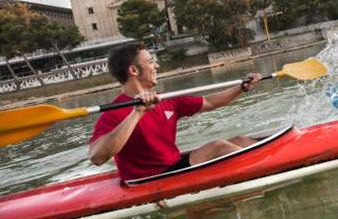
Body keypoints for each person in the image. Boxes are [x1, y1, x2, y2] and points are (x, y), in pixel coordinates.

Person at [89, 43, 262, 181]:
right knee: (218, 147)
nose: (156, 65)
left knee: (241, 140)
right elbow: (97, 157)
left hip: (173, 165)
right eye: (150, 62)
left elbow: (208, 102)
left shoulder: (166, 99)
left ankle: (270, 164)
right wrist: (138, 112)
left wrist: (241, 88)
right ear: (134, 70)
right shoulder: (114, 112)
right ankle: (264, 174)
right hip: (150, 178)